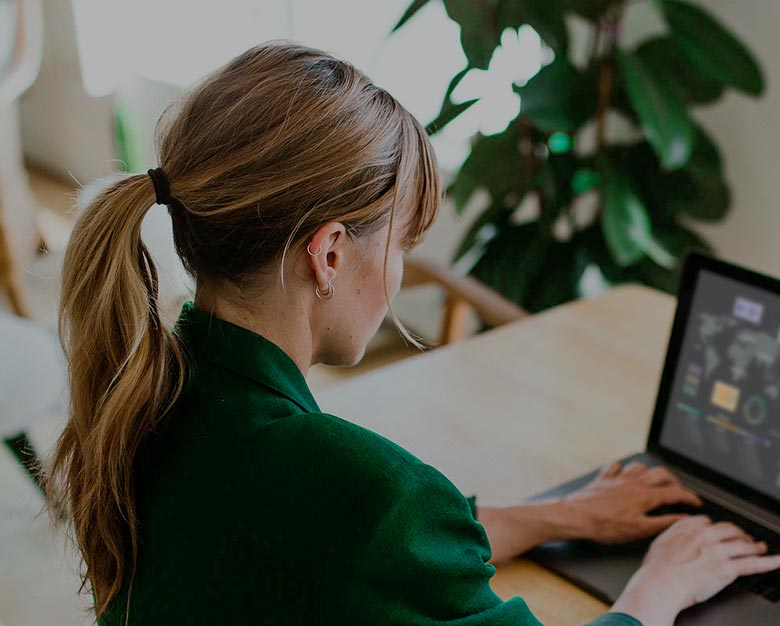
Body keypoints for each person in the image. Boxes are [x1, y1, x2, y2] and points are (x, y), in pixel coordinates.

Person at [47, 42, 780, 626]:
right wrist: (658, 588)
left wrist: (558, 515)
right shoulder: (365, 490)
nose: (398, 276)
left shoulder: (148, 395)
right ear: (329, 254)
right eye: (400, 245)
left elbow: (346, 552)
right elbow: (366, 528)